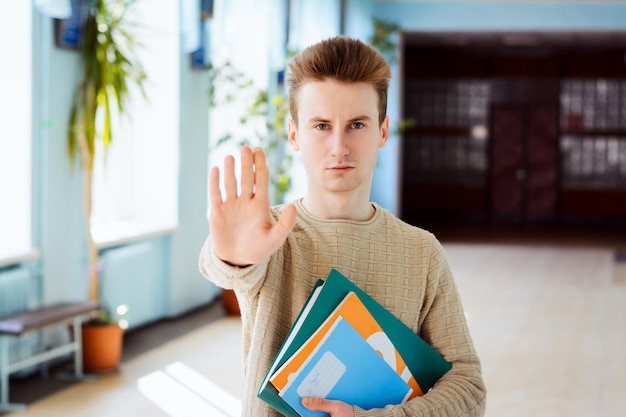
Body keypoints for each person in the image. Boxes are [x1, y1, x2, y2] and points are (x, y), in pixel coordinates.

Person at [199, 35, 486, 417]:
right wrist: (232, 257)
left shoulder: (422, 251)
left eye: (356, 125)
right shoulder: (270, 235)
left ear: (383, 131)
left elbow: (468, 388)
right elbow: (224, 263)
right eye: (321, 126)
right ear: (294, 134)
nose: (339, 146)